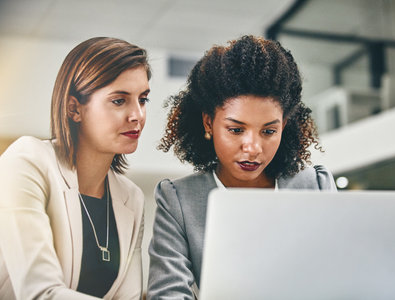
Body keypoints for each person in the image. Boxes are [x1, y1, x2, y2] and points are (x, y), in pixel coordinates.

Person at [147, 35, 337, 299]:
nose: (253, 147)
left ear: (285, 126)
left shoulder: (315, 186)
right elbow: (168, 294)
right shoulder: (179, 201)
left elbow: (340, 276)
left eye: (269, 131)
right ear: (208, 123)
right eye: (236, 130)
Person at [0, 37, 151, 299]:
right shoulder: (27, 161)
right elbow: (39, 293)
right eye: (119, 100)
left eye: (143, 99)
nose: (137, 115)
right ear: (74, 109)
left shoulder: (132, 198)